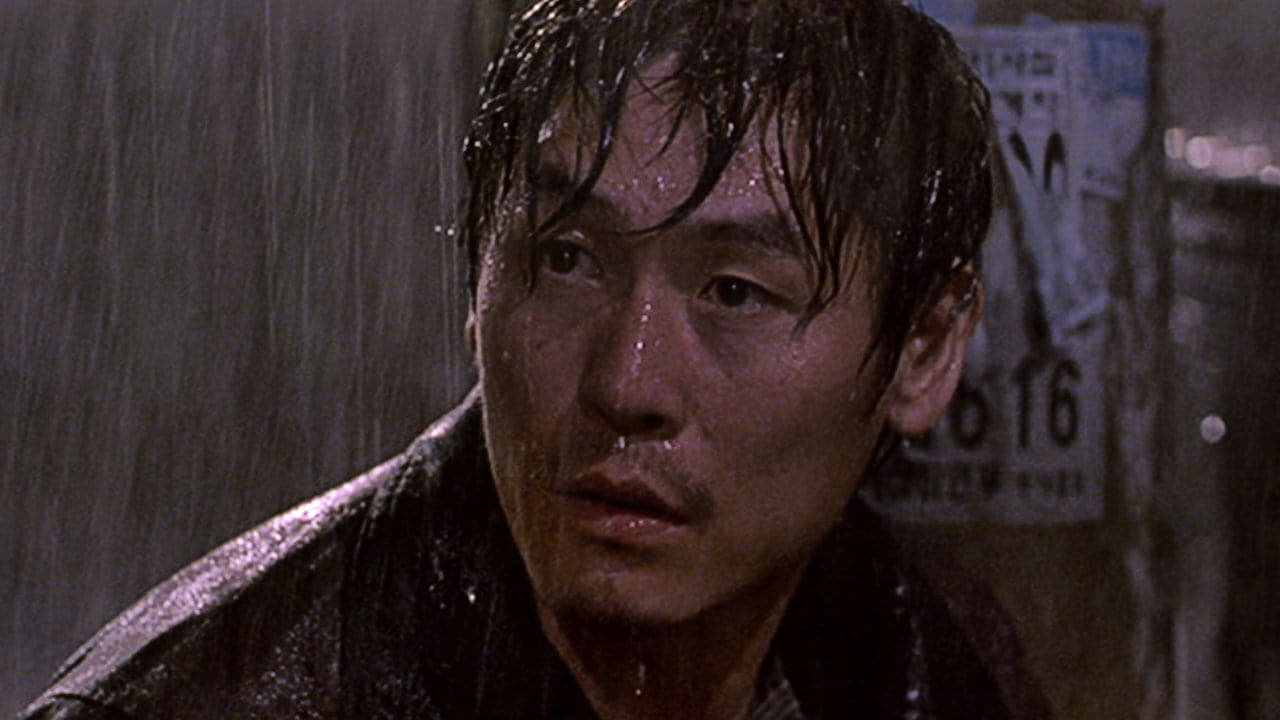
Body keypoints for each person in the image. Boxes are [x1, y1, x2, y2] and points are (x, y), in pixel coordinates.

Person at [23, 0, 1046, 718]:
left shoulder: (930, 661)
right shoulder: (213, 697)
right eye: (567, 261)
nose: (626, 385)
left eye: (733, 291)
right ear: (475, 283)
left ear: (922, 350)